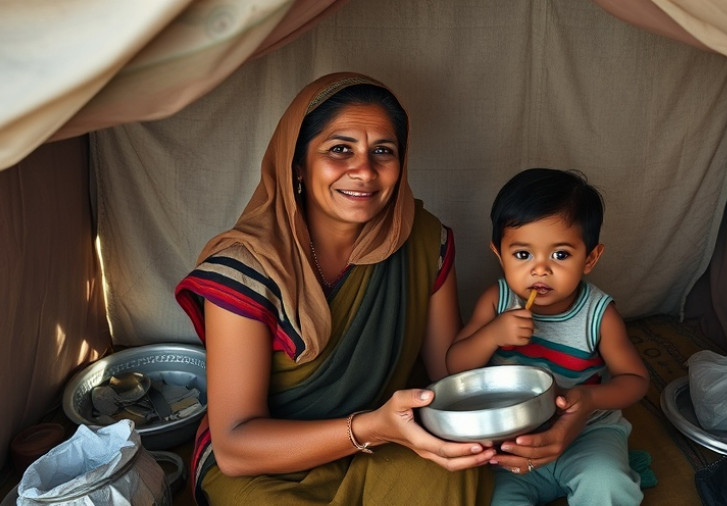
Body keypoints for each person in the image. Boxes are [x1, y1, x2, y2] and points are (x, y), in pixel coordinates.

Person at [175, 72, 495, 505]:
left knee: (453, 473)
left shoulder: (422, 240)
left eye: (383, 151)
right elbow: (234, 446)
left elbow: (448, 376)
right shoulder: (245, 269)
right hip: (271, 464)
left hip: (392, 438)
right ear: (298, 164)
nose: (364, 170)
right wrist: (368, 427)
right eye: (340, 149)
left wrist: (532, 423)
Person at [446, 168, 649, 505]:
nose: (540, 269)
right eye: (523, 255)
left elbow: (636, 381)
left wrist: (588, 399)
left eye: (560, 255)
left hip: (588, 434)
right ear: (499, 254)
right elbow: (456, 366)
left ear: (590, 258)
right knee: (487, 498)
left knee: (608, 483)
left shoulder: (600, 315)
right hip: (512, 442)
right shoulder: (496, 302)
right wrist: (493, 334)